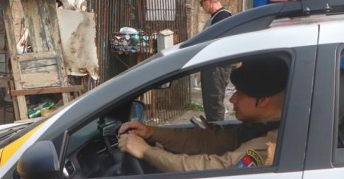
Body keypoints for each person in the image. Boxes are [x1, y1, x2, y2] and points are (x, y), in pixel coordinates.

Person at [118, 56, 287, 173]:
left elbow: (214, 168)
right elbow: (207, 140)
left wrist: (146, 151)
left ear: (264, 101)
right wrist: (152, 133)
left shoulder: (269, 144)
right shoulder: (258, 126)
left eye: (240, 94)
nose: (233, 99)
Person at [199, 0, 233, 122]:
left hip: (217, 66)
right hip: (213, 66)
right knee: (211, 101)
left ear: (211, 0)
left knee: (214, 101)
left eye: (202, 2)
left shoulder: (222, 17)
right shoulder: (217, 17)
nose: (201, 6)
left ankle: (217, 132)